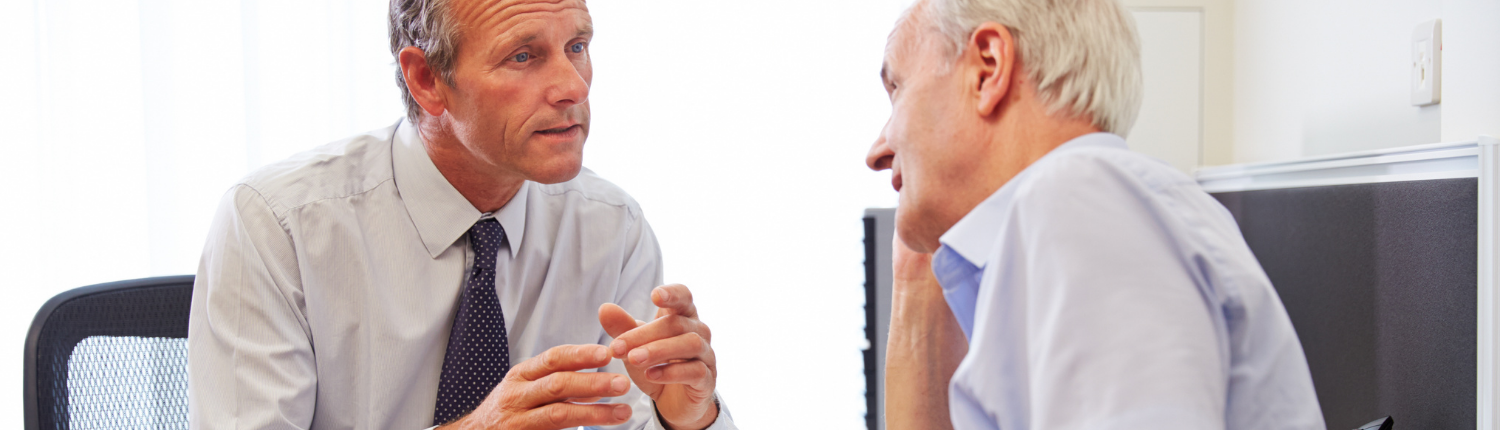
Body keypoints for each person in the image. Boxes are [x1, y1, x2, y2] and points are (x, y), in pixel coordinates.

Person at [187, 0, 735, 429]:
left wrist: (686, 419)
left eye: (577, 45)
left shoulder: (611, 228)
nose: (572, 87)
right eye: (523, 56)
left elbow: (635, 419)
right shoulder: (277, 226)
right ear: (427, 80)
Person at [864, 0, 1326, 429]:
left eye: (896, 89)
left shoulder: (1078, 202)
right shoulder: (1093, 207)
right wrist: (916, 271)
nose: (877, 150)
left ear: (987, 68)